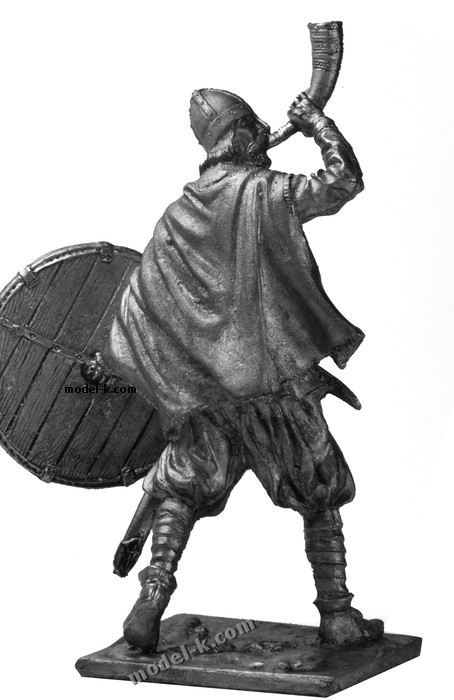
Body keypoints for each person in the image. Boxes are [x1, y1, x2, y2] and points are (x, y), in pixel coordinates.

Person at [100, 88, 384, 652]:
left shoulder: (177, 215)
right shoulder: (265, 191)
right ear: (243, 135)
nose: (263, 136)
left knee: (181, 491)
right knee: (320, 493)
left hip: (206, 399)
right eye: (255, 126)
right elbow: (343, 181)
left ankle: (150, 601)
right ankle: (337, 616)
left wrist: (171, 381)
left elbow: (135, 308)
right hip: (276, 391)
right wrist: (317, 123)